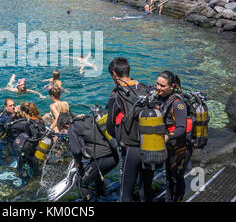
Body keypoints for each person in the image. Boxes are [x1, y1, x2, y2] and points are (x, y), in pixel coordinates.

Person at [105, 57, 154, 202]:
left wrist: (116, 137)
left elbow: (110, 124)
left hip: (131, 146)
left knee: (126, 191)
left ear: (114, 74)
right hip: (151, 144)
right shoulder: (146, 88)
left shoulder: (116, 93)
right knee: (146, 188)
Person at [155, 71, 192, 202]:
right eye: (157, 84)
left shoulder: (177, 104)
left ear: (172, 86)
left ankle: (178, 199)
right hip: (169, 145)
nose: (158, 88)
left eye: (162, 86)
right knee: (169, 176)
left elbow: (181, 128)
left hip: (180, 147)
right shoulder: (160, 97)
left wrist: (167, 137)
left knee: (177, 177)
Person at [67, 111, 119, 201]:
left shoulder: (71, 127)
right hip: (115, 156)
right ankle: (102, 195)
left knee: (81, 182)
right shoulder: (89, 118)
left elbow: (76, 151)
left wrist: (78, 163)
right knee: (96, 175)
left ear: (66, 125)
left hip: (103, 160)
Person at [5, 102, 46, 179]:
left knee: (20, 167)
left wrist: (13, 115)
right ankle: (37, 177)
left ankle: (22, 179)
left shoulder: (24, 124)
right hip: (34, 147)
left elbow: (7, 126)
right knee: (33, 166)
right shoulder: (40, 120)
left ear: (23, 112)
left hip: (25, 150)